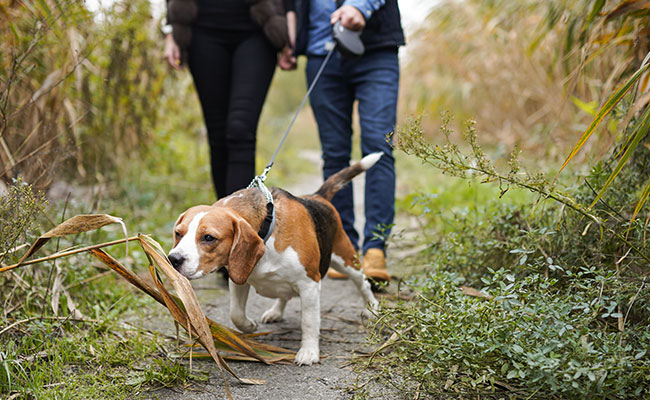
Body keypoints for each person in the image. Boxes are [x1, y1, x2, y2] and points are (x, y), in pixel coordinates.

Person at [280, 0, 405, 286]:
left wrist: (361, 6)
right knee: (334, 154)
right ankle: (344, 247)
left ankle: (375, 249)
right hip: (319, 53)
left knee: (378, 148)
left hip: (376, 51)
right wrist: (288, 39)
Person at [163, 0, 289, 199]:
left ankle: (239, 218)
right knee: (218, 135)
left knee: (240, 130)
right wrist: (171, 31)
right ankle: (222, 222)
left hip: (258, 28)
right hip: (202, 30)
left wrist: (287, 32)